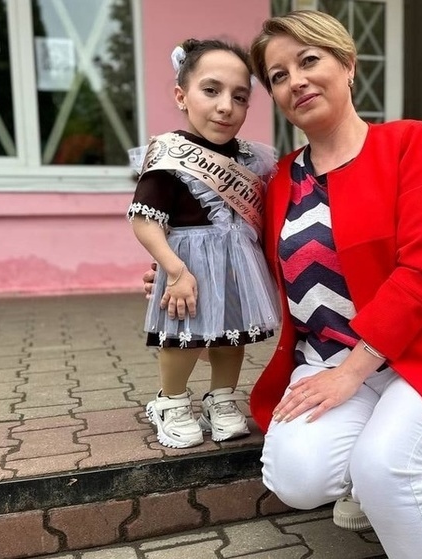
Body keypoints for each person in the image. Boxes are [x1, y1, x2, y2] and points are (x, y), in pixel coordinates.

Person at [246, 10, 422, 558]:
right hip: (325, 361)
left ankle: (386, 471)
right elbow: (240, 255)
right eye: (278, 75)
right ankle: (368, 463)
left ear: (348, 65)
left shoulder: (407, 144)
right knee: (296, 478)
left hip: (418, 355)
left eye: (309, 60)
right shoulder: (280, 181)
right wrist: (176, 272)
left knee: (384, 467)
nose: (296, 80)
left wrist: (353, 374)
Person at [128, 38, 280, 449]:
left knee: (232, 336)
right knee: (183, 336)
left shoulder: (251, 159)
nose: (226, 106)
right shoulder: (169, 155)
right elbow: (144, 219)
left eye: (240, 97)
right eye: (211, 90)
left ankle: (222, 398)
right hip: (187, 266)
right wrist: (172, 269)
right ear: (182, 96)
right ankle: (172, 402)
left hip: (236, 264)